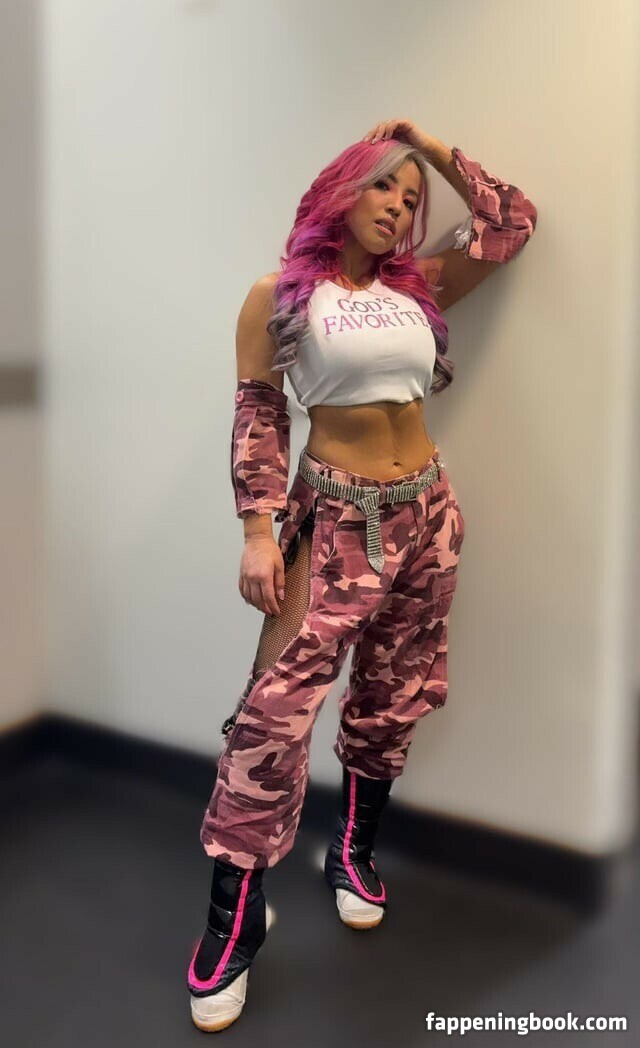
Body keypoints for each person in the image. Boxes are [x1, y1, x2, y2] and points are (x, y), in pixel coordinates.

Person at [187, 119, 538, 1032]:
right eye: (383, 185)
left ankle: (351, 850)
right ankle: (232, 924)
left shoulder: (417, 288)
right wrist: (257, 531)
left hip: (428, 514)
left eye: (411, 198)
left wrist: (430, 146)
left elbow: (512, 222)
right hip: (333, 523)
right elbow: (259, 413)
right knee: (272, 715)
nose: (398, 206)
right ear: (341, 190)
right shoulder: (280, 296)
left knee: (393, 691)